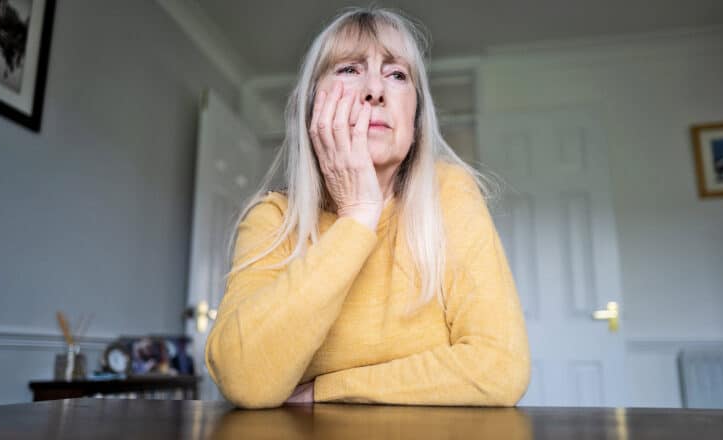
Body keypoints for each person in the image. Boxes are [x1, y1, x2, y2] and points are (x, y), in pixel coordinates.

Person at [205, 7, 530, 409]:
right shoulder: (271, 220)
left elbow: (500, 367)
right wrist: (358, 217)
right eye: (348, 69)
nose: (375, 89)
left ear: (415, 116)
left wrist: (327, 389)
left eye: (397, 74)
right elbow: (244, 379)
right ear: (312, 107)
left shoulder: (450, 193)